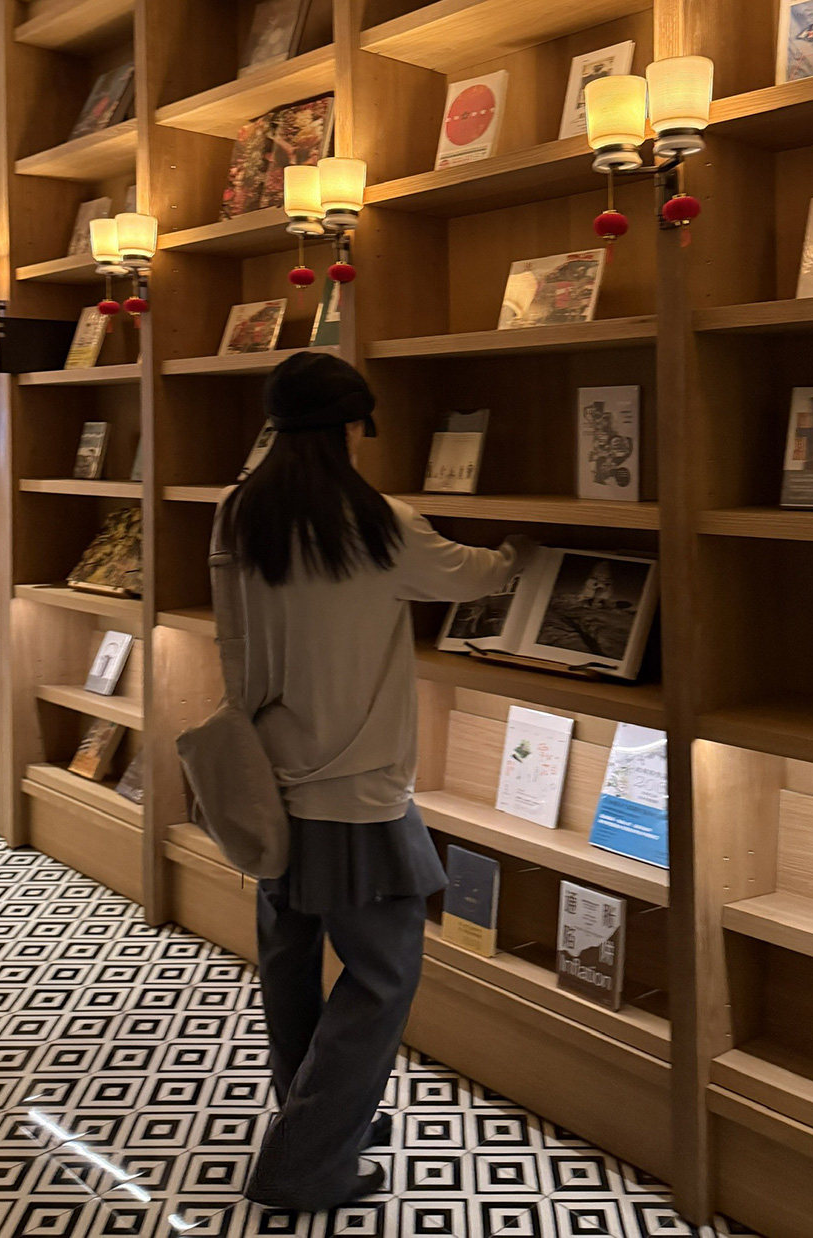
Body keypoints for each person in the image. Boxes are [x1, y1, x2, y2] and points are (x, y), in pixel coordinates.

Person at [217, 351, 528, 1214]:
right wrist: (523, 546)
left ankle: (316, 1120)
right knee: (383, 977)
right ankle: (307, 1162)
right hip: (355, 790)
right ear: (351, 427)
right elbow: (478, 574)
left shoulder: (240, 513)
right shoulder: (379, 523)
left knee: (288, 960)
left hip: (266, 781)